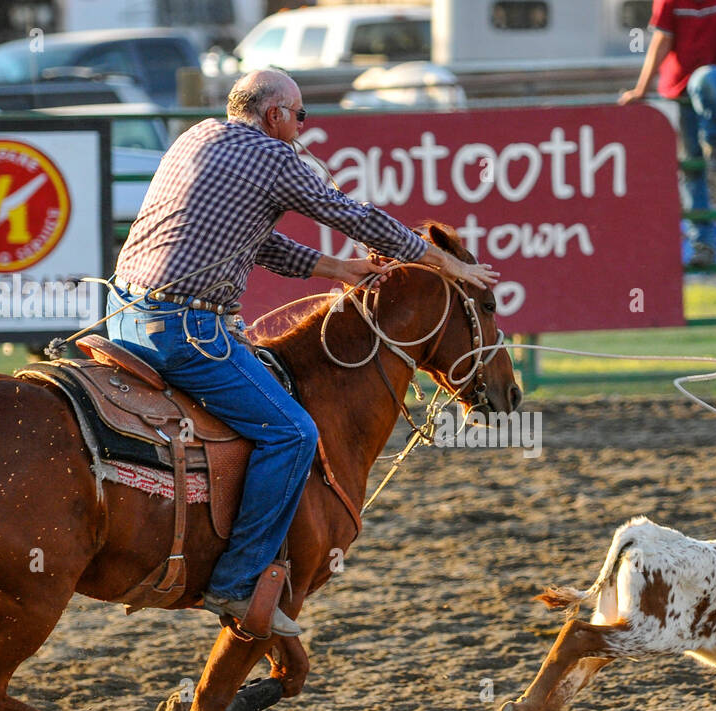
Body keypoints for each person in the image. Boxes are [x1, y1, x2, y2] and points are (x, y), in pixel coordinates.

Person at [108, 69, 498, 638]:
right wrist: (446, 263)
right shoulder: (274, 156)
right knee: (292, 432)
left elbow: (251, 238)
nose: (300, 127)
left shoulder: (196, 137)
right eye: (300, 116)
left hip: (123, 319)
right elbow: (355, 216)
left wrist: (337, 268)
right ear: (274, 115)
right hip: (184, 331)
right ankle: (238, 581)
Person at [619, 0, 716, 270]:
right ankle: (702, 244)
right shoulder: (669, 2)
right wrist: (642, 88)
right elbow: (661, 41)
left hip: (712, 77)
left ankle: (714, 141)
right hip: (679, 89)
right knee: (691, 167)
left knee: (704, 80)